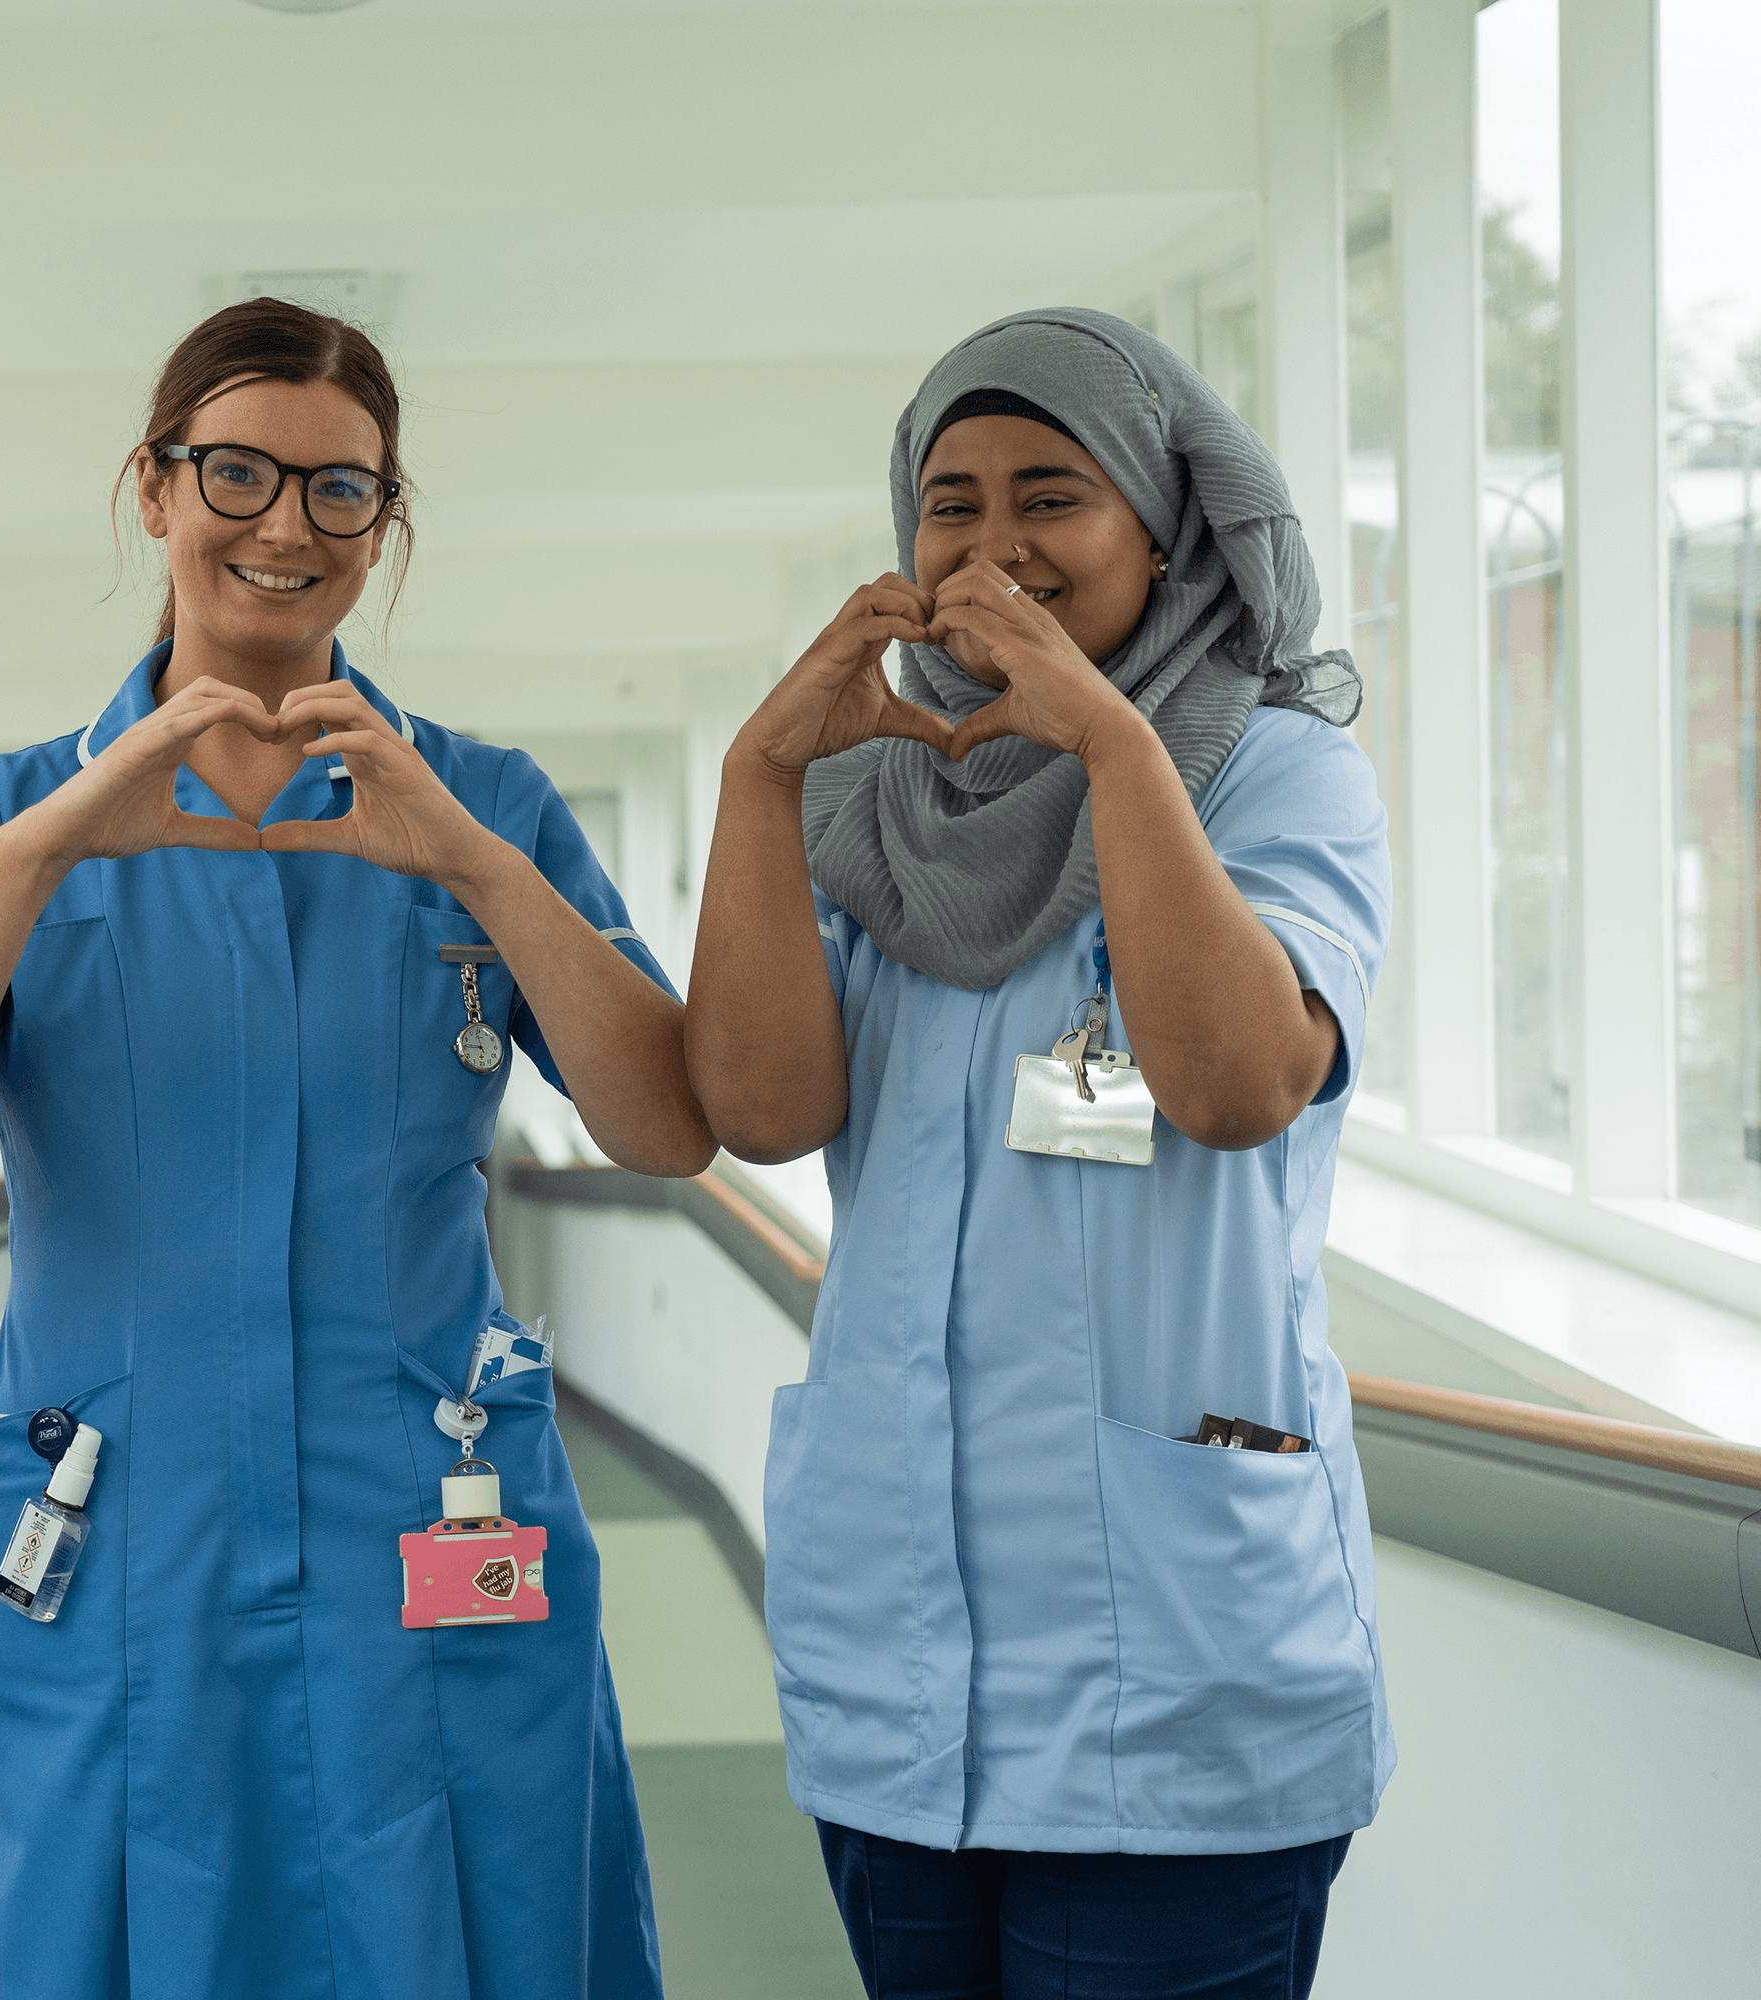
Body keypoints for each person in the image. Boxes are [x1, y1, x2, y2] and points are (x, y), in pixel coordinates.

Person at [0, 297, 713, 1999]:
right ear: (150, 490)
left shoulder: (483, 801)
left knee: (486, 1921)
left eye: (342, 491)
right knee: (127, 1927)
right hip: (126, 1524)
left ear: (387, 527)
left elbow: (667, 1123)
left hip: (436, 1508)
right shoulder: (8, 816)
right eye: (238, 471)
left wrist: (475, 869)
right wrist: (32, 864)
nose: (287, 526)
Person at [685, 308, 1389, 1999]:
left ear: (1161, 524)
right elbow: (765, 1110)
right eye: (950, 503)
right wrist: (764, 772)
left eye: (1051, 496)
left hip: (1180, 1678)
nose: (993, 544)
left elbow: (1233, 1081)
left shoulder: (1276, 774)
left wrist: (1113, 742)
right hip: (897, 1678)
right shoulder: (874, 806)